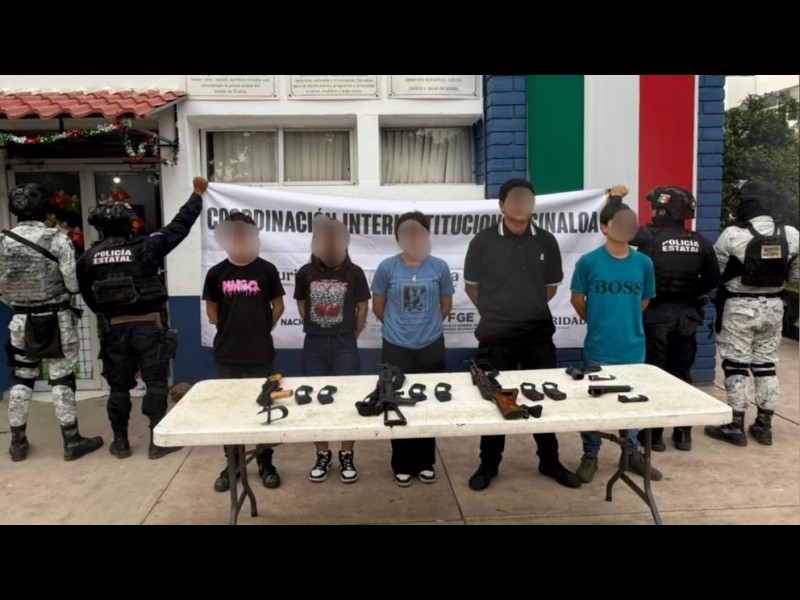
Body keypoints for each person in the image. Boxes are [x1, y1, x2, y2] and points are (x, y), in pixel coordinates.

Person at [464, 178, 582, 491]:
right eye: (514, 199)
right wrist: (496, 312)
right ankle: (489, 464)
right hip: (496, 335)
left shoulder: (546, 240)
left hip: (537, 333)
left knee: (543, 396)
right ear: (502, 205)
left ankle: (549, 460)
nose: (521, 204)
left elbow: (550, 289)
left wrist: (526, 310)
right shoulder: (482, 241)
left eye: (526, 199)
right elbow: (472, 287)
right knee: (495, 399)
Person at [77, 177, 206, 460]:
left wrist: (111, 315)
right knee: (156, 383)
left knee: (118, 387)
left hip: (113, 331)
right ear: (130, 223)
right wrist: (197, 194)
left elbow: (88, 296)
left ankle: (121, 443)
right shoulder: (146, 247)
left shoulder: (88, 257)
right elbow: (179, 226)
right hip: (150, 328)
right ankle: (157, 443)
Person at [1, 183, 103, 461]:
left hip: (20, 319)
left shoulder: (2, 241)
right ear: (45, 207)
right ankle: (71, 441)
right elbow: (72, 285)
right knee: (61, 378)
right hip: (57, 318)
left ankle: (17, 443)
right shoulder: (57, 239)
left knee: (22, 377)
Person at [570, 191, 663, 483]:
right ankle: (590, 453)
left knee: (632, 403)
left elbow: (645, 299)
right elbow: (576, 299)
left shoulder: (644, 263)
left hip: (633, 347)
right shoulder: (588, 262)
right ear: (604, 227)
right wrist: (598, 321)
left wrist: (626, 318)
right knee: (594, 404)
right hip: (599, 347)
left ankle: (631, 452)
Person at [625, 185, 720, 451]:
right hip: (687, 316)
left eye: (655, 208)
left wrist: (615, 198)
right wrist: (688, 295)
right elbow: (713, 280)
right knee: (682, 374)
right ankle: (682, 434)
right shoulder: (701, 242)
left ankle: (653, 436)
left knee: (654, 375)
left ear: (664, 211)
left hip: (656, 315)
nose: (652, 212)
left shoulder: (648, 236)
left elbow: (620, 229)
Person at [705, 181, 799, 447]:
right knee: (766, 365)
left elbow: (715, 276)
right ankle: (764, 426)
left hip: (738, 307)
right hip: (774, 307)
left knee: (735, 365)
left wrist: (719, 297)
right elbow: (796, 277)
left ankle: (735, 426)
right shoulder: (791, 234)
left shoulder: (733, 234)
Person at [203, 211, 286, 491]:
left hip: (261, 353)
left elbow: (279, 305)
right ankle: (234, 463)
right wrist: (226, 327)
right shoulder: (216, 273)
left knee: (264, 408)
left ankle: (265, 462)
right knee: (230, 411)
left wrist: (263, 327)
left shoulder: (266, 270)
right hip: (227, 355)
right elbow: (211, 309)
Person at [372, 211, 454, 487]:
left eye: (418, 231)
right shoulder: (387, 267)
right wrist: (398, 329)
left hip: (431, 346)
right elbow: (378, 306)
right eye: (406, 232)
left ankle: (425, 462)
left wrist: (426, 328)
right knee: (395, 402)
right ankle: (402, 463)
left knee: (427, 403)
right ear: (398, 237)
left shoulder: (439, 267)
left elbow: (445, 305)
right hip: (395, 347)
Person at [295, 215, 370, 483]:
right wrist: (316, 325)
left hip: (344, 344)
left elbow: (363, 308)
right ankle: (322, 454)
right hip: (314, 344)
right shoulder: (305, 273)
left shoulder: (354, 273)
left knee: (348, 399)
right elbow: (302, 304)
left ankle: (347, 454)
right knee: (316, 399)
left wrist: (352, 334)